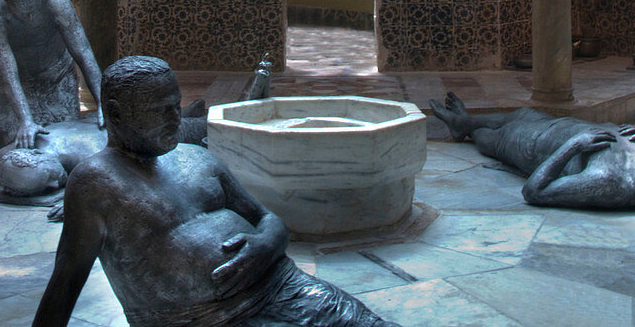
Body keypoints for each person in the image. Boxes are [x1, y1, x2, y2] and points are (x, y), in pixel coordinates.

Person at [33, 56, 401, 327]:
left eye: (175, 107)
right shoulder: (96, 183)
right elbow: (66, 281)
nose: (176, 120)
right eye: (160, 112)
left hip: (282, 285)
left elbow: (269, 219)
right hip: (205, 318)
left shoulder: (197, 158)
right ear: (115, 113)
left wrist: (264, 246)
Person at [430, 91, 635, 226]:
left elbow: (535, 191)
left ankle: (465, 127)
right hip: (560, 126)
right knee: (522, 114)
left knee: (495, 139)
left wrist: (573, 146)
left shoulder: (606, 182)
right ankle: (463, 122)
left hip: (539, 145)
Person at [0, 98, 208, 213]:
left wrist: (74, 203)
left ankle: (193, 114)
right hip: (95, 126)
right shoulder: (17, 156)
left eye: (52, 180)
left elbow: (124, 181)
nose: (57, 184)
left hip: (136, 133)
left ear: (44, 160)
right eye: (51, 186)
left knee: (201, 128)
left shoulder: (80, 156)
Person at [0, 0, 104, 149]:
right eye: (23, 11)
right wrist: (26, 121)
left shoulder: (56, 3)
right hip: (18, 80)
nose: (29, 17)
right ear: (8, 1)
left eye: (33, 9)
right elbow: (8, 74)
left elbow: (83, 53)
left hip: (56, 76)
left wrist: (102, 102)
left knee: (62, 139)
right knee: (8, 139)